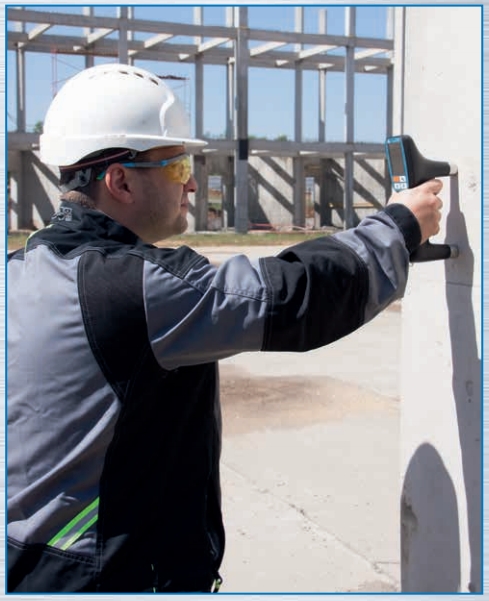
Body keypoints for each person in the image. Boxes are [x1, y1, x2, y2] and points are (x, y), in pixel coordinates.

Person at [7, 63, 444, 593]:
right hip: (113, 579)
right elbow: (290, 295)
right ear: (119, 180)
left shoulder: (20, 269)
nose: (192, 182)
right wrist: (397, 227)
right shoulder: (130, 289)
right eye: (177, 166)